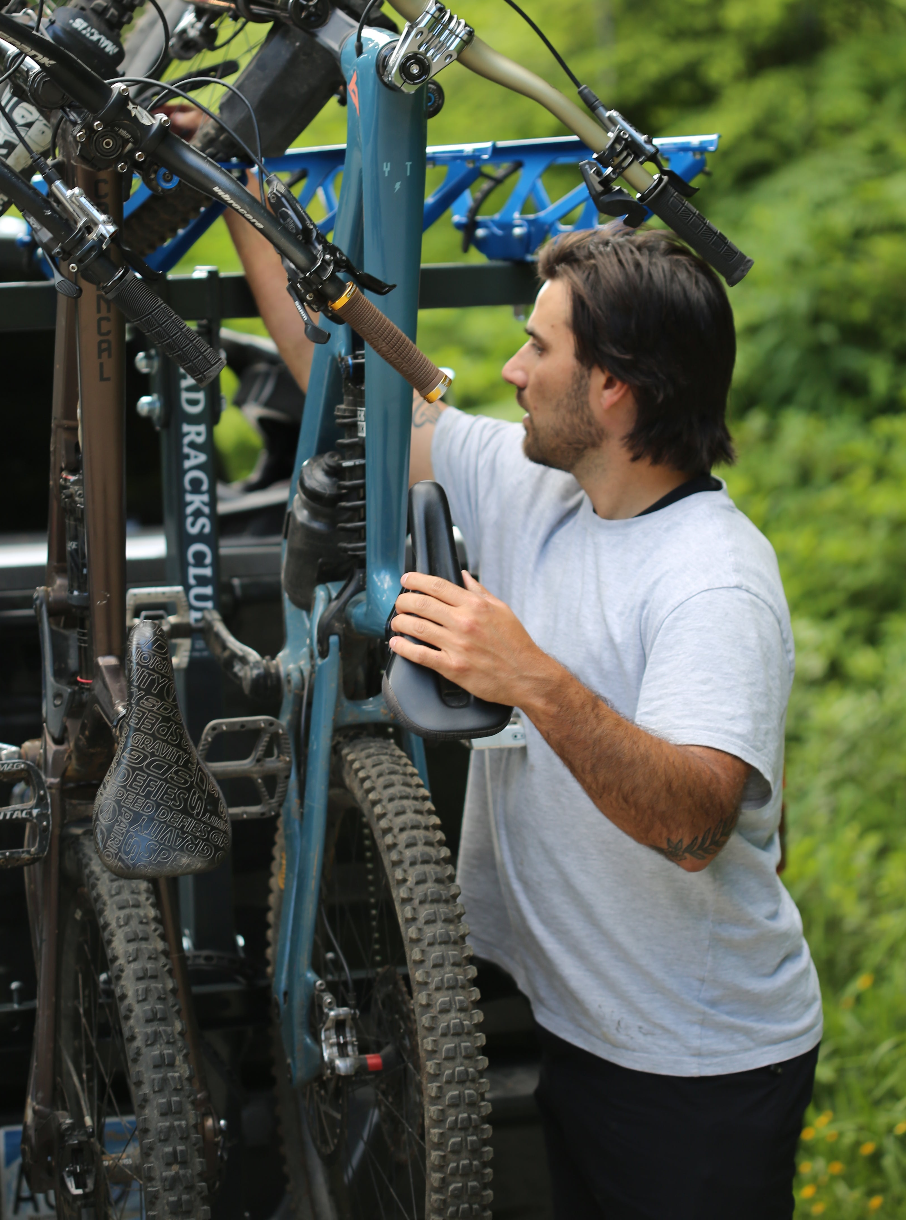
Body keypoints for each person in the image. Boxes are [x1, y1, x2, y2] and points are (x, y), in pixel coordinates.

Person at [202, 156, 822, 1215]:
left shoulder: (714, 580)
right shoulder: (541, 486)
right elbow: (350, 387)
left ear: (614, 389)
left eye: (540, 348)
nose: (510, 368)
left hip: (699, 1064)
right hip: (587, 1030)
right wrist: (247, 206)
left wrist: (530, 676)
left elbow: (692, 823)